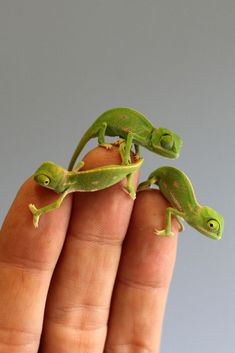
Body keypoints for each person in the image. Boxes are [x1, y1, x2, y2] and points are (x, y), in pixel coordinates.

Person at [0, 146, 179, 353]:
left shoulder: (68, 185)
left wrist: (38, 212)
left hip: (111, 182)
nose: (42, 184)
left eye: (47, 182)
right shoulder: (73, 176)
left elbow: (54, 205)